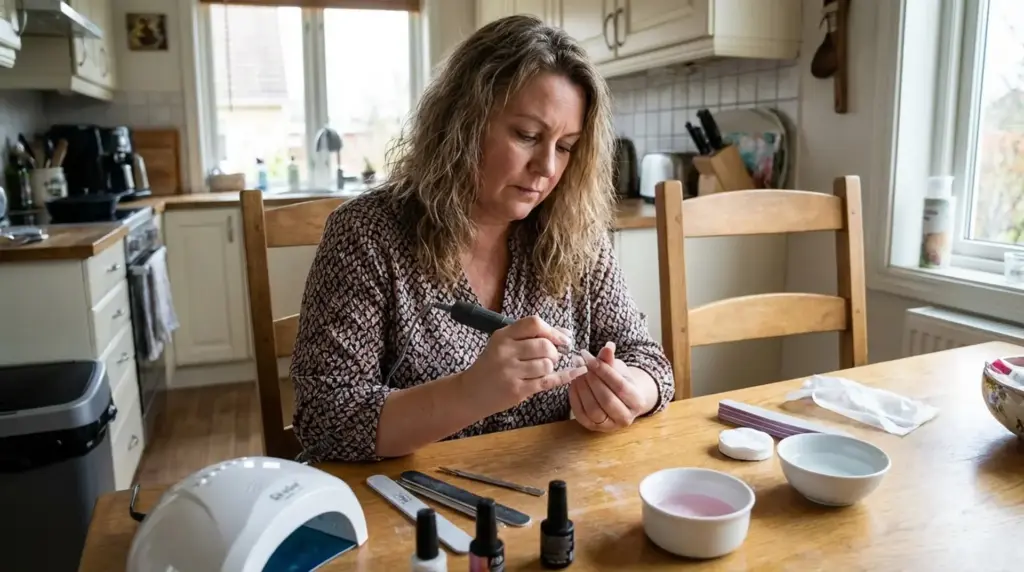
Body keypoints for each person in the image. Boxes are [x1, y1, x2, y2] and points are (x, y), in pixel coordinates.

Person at [289, 14, 675, 463]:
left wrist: (633, 392)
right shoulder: (368, 235)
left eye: (566, 146)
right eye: (527, 135)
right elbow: (324, 420)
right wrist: (470, 392)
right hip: (406, 507)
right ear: (462, 124)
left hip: (543, 495)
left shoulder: (575, 236)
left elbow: (647, 358)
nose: (548, 168)